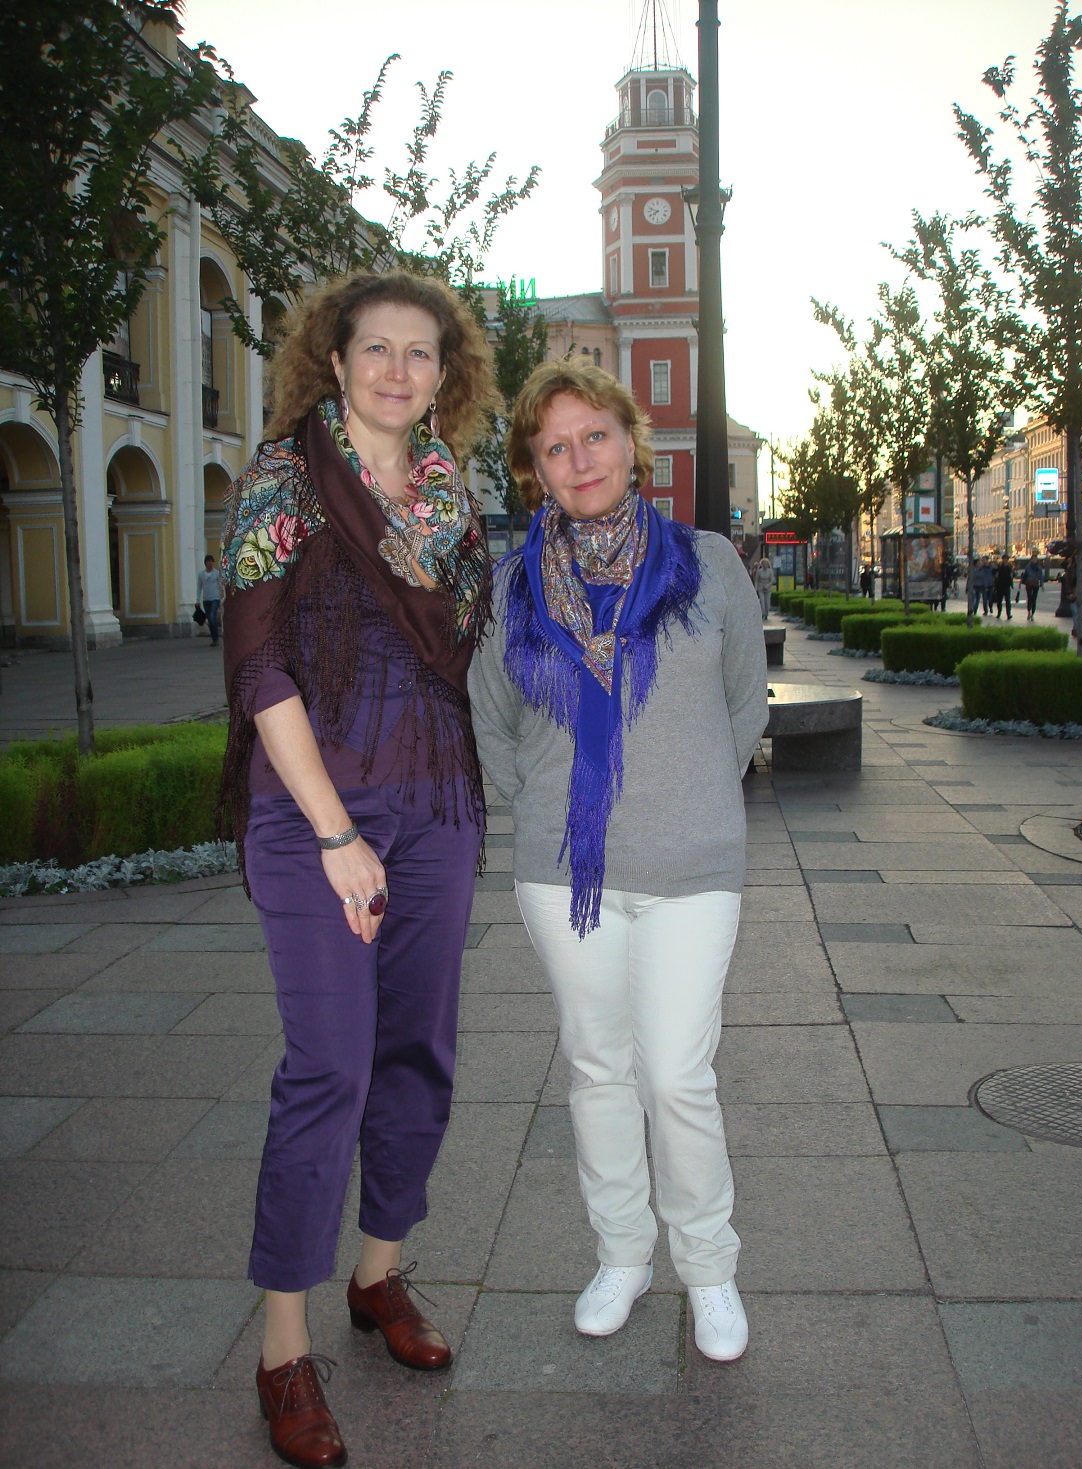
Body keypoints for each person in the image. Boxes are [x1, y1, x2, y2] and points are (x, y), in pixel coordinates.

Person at [219, 270, 496, 1469]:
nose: (396, 369)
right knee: (328, 1063)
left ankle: (378, 1272)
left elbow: (468, 656)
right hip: (311, 807)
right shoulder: (284, 478)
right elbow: (258, 663)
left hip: (433, 800)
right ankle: (282, 1348)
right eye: (374, 348)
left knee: (418, 1047)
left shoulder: (452, 497)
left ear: (445, 374)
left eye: (418, 352)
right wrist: (336, 832)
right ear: (333, 362)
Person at [468, 360, 769, 1366]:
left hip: (692, 866)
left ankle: (709, 1267)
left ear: (631, 441)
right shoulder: (514, 586)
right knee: (597, 1065)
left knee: (676, 1073)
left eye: (594, 434)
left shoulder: (706, 563)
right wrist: (545, 806)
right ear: (534, 469)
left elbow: (744, 702)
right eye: (554, 446)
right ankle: (622, 1254)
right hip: (563, 874)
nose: (579, 458)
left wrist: (695, 793)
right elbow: (489, 716)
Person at [197, 552, 221, 645]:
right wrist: (197, 600)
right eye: (208, 561)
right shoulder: (201, 575)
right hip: (206, 599)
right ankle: (214, 637)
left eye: (211, 561)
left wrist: (221, 598)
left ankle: (216, 638)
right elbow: (199, 588)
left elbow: (220, 586)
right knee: (210, 619)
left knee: (211, 616)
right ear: (205, 563)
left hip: (215, 598)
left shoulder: (216, 573)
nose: (210, 563)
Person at [1018, 551, 1043, 621]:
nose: (1034, 560)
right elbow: (1024, 575)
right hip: (1028, 584)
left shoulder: (1039, 567)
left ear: (1037, 560)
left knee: (1034, 599)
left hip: (1035, 584)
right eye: (1033, 559)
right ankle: (1029, 612)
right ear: (1031, 560)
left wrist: (1042, 584)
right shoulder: (1028, 567)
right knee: (1029, 598)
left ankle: (1032, 613)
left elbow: (1041, 576)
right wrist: (1021, 582)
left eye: (1035, 559)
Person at [753, 553, 774, 618]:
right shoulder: (759, 571)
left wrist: (768, 585)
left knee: (767, 602)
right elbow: (757, 580)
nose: (765, 565)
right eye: (763, 564)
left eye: (766, 564)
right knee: (762, 601)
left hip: (768, 588)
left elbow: (772, 580)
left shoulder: (770, 571)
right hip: (761, 588)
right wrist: (756, 588)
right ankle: (763, 613)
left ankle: (767, 613)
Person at [993, 554, 1014, 619]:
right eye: (1004, 559)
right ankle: (999, 613)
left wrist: (1011, 583)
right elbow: (994, 574)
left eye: (1006, 559)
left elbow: (1011, 576)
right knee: (999, 601)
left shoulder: (1009, 567)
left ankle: (1008, 614)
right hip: (999, 586)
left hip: (1007, 586)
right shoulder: (999, 567)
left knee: (1008, 601)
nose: (1005, 560)